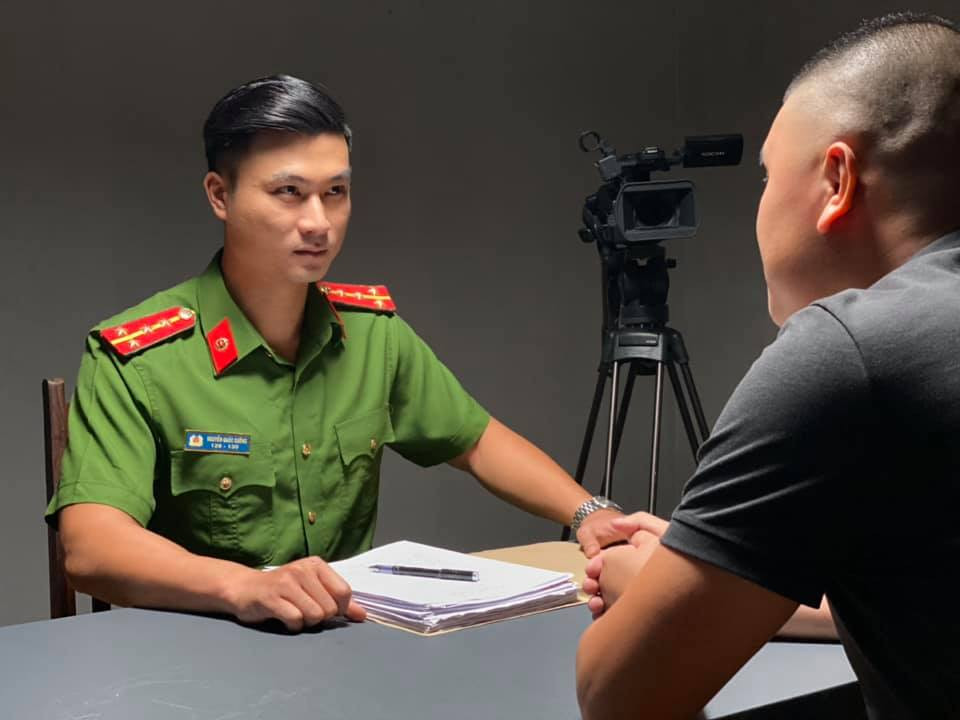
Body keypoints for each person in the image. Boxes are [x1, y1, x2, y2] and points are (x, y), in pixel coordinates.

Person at [46, 74, 629, 632]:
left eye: (336, 193)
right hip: (189, 652)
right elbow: (91, 548)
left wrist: (589, 513)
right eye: (289, 193)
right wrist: (242, 587)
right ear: (220, 195)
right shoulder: (141, 357)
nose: (318, 222)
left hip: (342, 644)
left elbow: (476, 441)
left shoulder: (371, 334)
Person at [576, 12, 960, 719]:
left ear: (837, 179)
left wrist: (644, 585)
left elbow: (620, 695)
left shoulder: (847, 351)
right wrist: (718, 570)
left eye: (767, 177)